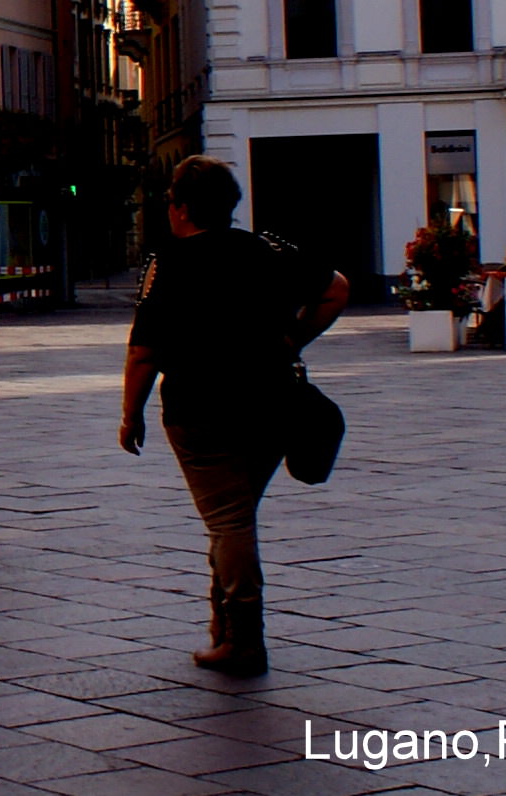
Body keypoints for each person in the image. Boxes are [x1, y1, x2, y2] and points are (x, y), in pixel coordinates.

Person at [117, 155, 350, 676]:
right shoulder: (266, 248)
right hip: (271, 403)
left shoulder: (169, 262)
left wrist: (131, 415)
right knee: (233, 518)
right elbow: (337, 288)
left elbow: (144, 353)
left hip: (200, 408)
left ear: (179, 209)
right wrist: (292, 338)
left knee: (228, 520)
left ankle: (244, 638)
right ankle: (223, 628)